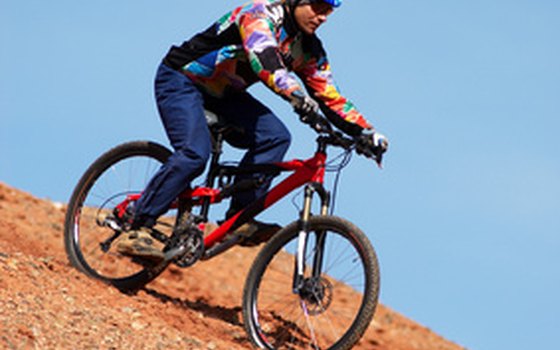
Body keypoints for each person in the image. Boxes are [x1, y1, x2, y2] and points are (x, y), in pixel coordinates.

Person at [116, 0, 388, 262]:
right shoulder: (260, 14)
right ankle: (137, 223)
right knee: (194, 154)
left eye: (328, 11)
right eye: (317, 6)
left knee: (275, 137)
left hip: (223, 94)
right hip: (182, 80)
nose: (322, 17)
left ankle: (239, 217)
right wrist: (294, 95)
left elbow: (329, 95)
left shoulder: (309, 49)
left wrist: (365, 133)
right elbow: (265, 58)